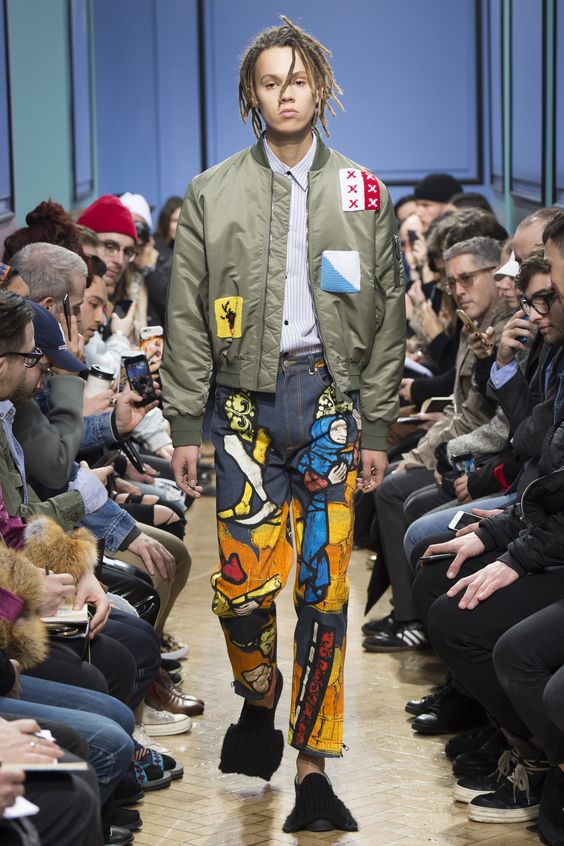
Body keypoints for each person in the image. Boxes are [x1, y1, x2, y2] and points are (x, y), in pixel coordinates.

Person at [161, 16, 405, 833]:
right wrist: (184, 423)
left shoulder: (364, 192)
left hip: (333, 405)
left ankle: (312, 769)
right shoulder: (211, 191)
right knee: (241, 591)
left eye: (297, 80)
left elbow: (388, 318)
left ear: (319, 88)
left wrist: (377, 428)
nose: (285, 94)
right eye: (269, 82)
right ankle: (259, 696)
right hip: (240, 410)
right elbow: (187, 313)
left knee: (324, 593)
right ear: (251, 95)